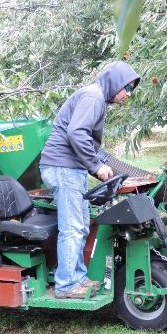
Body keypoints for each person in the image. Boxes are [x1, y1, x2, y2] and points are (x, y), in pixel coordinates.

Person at [40, 61, 140, 299]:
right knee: (72, 228)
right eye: (127, 87)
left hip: (70, 169)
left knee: (82, 225)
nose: (129, 94)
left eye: (132, 89)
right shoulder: (93, 97)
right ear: (115, 82)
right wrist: (97, 165)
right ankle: (66, 285)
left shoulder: (96, 98)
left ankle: (78, 278)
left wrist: (98, 170)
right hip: (63, 168)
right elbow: (76, 133)